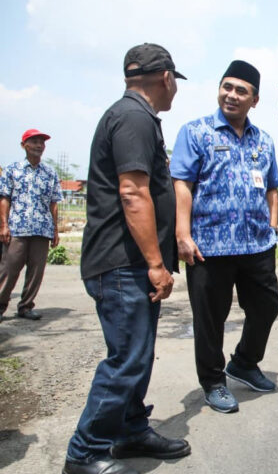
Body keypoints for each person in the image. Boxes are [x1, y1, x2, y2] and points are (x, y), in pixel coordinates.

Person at [64, 43, 189, 474]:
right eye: (175, 84)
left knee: (137, 353)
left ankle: (130, 430)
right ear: (167, 78)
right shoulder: (134, 117)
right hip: (123, 264)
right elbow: (133, 192)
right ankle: (84, 452)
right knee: (127, 358)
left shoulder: (133, 116)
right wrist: (155, 263)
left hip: (127, 264)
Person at [171, 60, 278, 414]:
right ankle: (214, 381)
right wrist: (182, 234)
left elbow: (274, 188)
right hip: (209, 246)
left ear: (255, 100)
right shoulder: (196, 132)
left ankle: (245, 362)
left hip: (256, 244)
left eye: (241, 91)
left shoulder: (264, 141)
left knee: (268, 304)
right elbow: (182, 186)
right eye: (227, 87)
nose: (231, 95)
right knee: (210, 319)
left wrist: (275, 225)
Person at [0, 129, 62, 322]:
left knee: (36, 271)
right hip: (17, 228)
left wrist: (55, 229)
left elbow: (53, 203)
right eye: (34, 142)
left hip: (42, 229)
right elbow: (4, 199)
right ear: (23, 145)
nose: (38, 145)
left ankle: (26, 306)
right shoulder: (13, 170)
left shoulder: (50, 173)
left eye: (41, 142)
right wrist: (3, 225)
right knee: (9, 269)